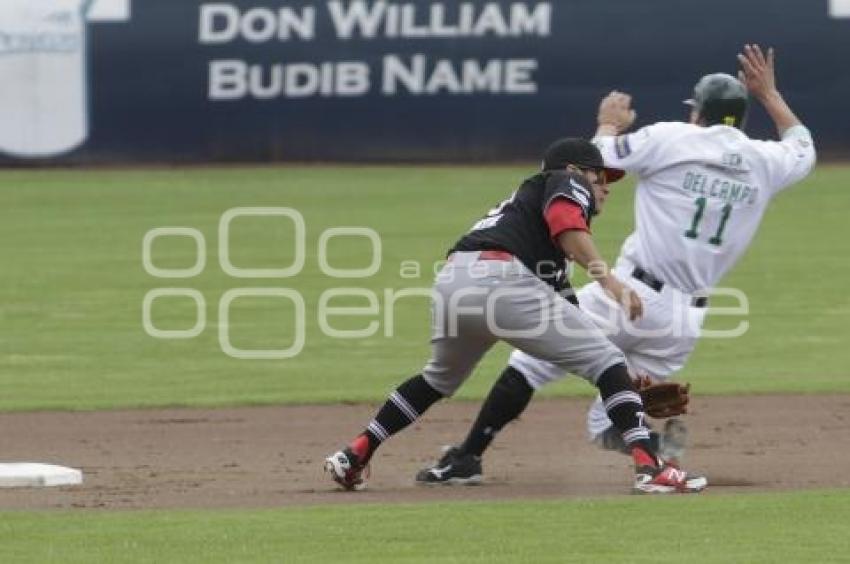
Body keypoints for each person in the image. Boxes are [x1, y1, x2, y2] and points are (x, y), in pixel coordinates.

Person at [416, 44, 816, 485]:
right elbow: (802, 146)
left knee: (528, 365)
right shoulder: (766, 161)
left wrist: (608, 123)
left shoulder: (670, 138)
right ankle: (659, 456)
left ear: (697, 113)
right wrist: (770, 94)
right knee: (607, 422)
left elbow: (589, 160)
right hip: (685, 320)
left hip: (629, 295)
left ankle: (467, 458)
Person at [325, 137, 708, 495]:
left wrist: (620, 379)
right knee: (606, 362)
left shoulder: (525, 222)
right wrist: (610, 283)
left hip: (455, 281)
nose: (606, 187)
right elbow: (566, 222)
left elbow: (568, 315)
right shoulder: (564, 178)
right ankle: (651, 470)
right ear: (577, 170)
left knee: (436, 380)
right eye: (601, 176)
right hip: (503, 279)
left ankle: (355, 453)